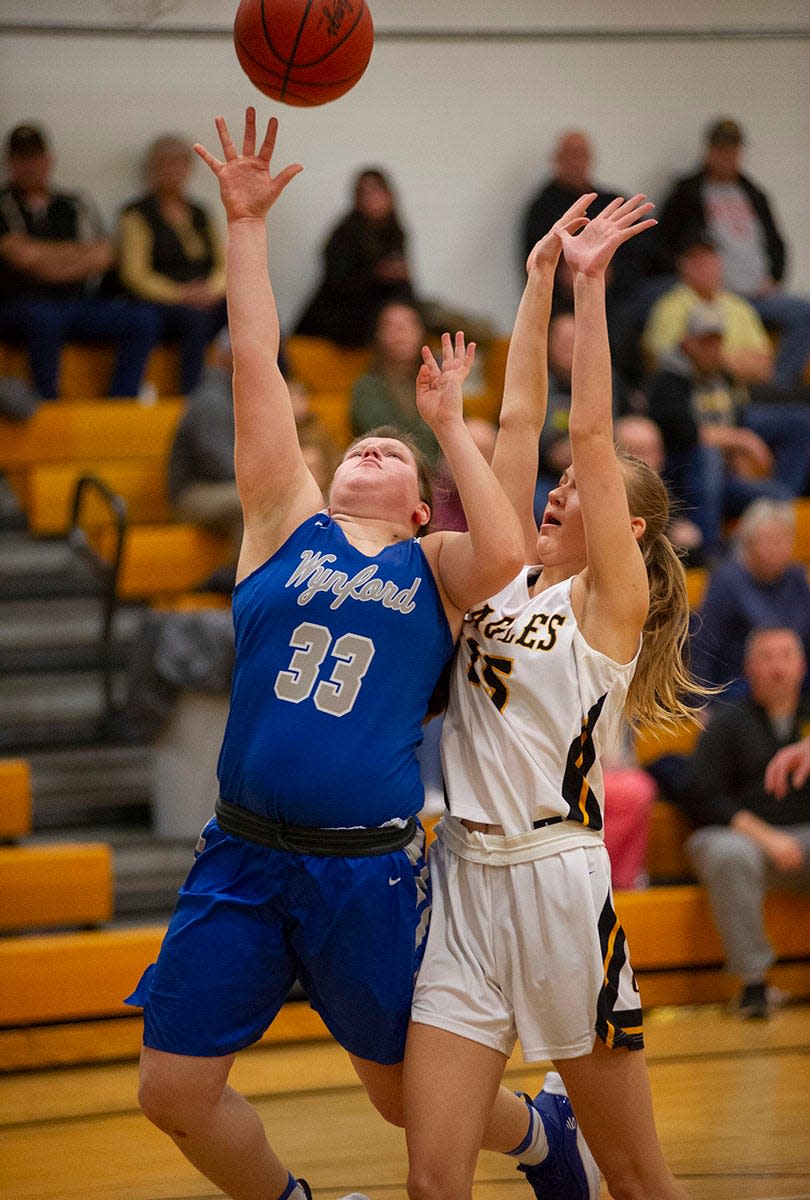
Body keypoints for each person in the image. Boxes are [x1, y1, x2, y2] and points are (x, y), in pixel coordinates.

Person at [126, 106, 538, 1200]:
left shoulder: (436, 568)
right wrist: (245, 224)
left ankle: (542, 1133)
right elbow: (253, 359)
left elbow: (505, 548)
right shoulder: (282, 522)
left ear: (417, 507)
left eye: (394, 452)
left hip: (365, 871)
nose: (374, 447)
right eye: (364, 440)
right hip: (244, 858)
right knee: (170, 1092)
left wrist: (448, 423)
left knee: (410, 1097)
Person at [405, 194, 702, 1200]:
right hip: (465, 881)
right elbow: (522, 417)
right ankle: (545, 1144)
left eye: (573, 495)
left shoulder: (608, 604)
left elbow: (580, 429)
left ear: (619, 522)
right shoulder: (504, 582)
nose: (553, 495)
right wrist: (534, 281)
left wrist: (590, 283)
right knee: (432, 1178)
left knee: (635, 1175)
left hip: (559, 888)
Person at [682, 626, 810, 1018]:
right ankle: (753, 985)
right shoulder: (727, 722)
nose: (777, 667)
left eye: (786, 656)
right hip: (744, 840)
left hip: (804, 840)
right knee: (727, 853)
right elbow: (702, 796)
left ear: (802, 665)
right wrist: (767, 838)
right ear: (748, 667)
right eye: (767, 658)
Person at [0, 122, 159, 401]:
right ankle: (49, 404)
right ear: (10, 162)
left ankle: (121, 402)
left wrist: (43, 257)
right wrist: (75, 255)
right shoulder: (4, 204)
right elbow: (21, 257)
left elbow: (104, 255)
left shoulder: (75, 203)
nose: (29, 166)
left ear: (48, 160)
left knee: (142, 319)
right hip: (20, 305)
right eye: (21, 158)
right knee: (43, 318)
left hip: (77, 304)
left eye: (35, 157)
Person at [645, 301, 810, 559]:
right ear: (687, 342)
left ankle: (752, 544)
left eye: (717, 341)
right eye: (705, 341)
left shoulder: (723, 378)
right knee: (708, 452)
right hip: (683, 480)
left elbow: (737, 418)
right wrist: (741, 440)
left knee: (778, 495)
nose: (712, 349)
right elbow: (683, 433)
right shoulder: (668, 380)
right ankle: (705, 552)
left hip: (724, 479)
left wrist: (738, 451)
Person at [656, 117, 810, 388]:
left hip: (759, 294)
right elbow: (665, 243)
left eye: (734, 150)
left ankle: (778, 389)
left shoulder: (753, 193)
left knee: (803, 312)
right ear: (709, 151)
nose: (728, 156)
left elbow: (777, 242)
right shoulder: (688, 192)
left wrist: (774, 277)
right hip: (711, 295)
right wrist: (700, 278)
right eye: (722, 149)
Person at [117, 133, 228, 394]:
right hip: (161, 303)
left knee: (254, 312)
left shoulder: (200, 213)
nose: (172, 170)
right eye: (165, 164)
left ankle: (284, 388)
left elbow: (225, 265)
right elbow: (135, 274)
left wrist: (210, 291)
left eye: (179, 164)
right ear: (152, 170)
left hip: (205, 296)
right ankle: (193, 397)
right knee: (195, 321)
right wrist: (181, 294)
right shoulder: (136, 214)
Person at [690, 498, 810, 698]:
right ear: (748, 542)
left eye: (784, 539)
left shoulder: (797, 578)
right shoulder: (727, 581)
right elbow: (704, 644)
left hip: (793, 682)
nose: (777, 547)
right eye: (770, 539)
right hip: (740, 687)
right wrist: (700, 701)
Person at [294, 165, 415, 347]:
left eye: (377, 191)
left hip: (378, 313)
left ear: (389, 195)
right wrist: (377, 275)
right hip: (341, 320)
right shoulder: (345, 233)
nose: (373, 199)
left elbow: (403, 284)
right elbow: (337, 283)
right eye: (366, 193)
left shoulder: (395, 233)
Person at [349, 299, 441, 465]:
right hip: (391, 464)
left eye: (408, 324)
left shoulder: (435, 378)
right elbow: (387, 437)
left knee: (478, 434)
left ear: (421, 332)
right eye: (390, 326)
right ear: (378, 334)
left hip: (438, 467)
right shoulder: (367, 386)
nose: (401, 332)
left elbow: (459, 426)